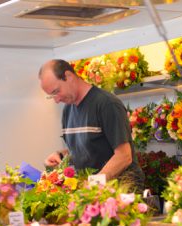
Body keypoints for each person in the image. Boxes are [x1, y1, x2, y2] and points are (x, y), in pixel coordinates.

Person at [38, 59, 145, 192]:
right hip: (93, 194)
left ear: (69, 76)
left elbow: (124, 156)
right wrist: (60, 155)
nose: (56, 100)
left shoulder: (106, 104)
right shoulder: (67, 110)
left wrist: (93, 184)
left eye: (56, 91)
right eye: (51, 96)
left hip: (120, 194)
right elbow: (83, 148)